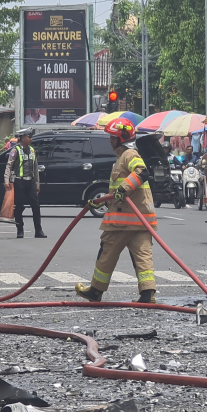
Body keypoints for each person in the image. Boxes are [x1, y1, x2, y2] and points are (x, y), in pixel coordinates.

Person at [75, 117, 158, 304]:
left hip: (123, 221)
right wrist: (100, 202)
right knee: (143, 257)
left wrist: (123, 189)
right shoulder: (123, 157)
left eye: (113, 137)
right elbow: (118, 192)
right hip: (140, 220)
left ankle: (95, 291)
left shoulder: (129, 155)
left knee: (107, 254)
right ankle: (147, 294)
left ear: (122, 138)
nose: (110, 141)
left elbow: (142, 172)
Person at [4, 127, 46, 239]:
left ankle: (38, 231)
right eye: (29, 137)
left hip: (31, 182)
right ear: (23, 138)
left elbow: (35, 168)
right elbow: (9, 166)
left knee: (36, 206)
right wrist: (6, 180)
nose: (31, 139)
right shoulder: (15, 150)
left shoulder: (32, 150)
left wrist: (37, 184)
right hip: (19, 182)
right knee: (19, 206)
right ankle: (20, 230)